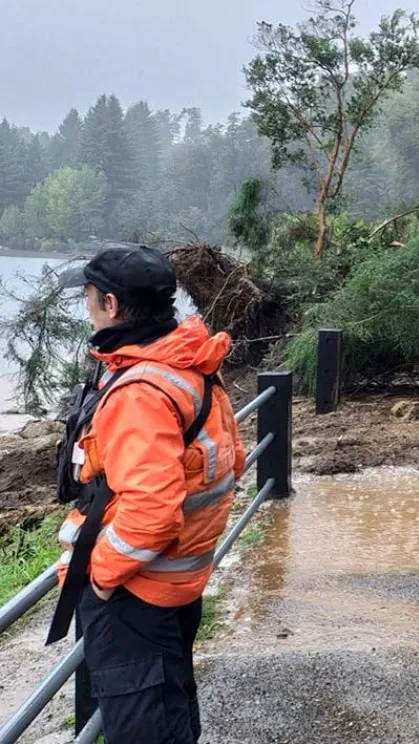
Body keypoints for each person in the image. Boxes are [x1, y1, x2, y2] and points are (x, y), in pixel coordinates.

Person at [48, 243, 245, 744]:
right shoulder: (185, 362)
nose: (87, 307)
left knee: (143, 727)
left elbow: (152, 510)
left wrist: (102, 577)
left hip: (140, 591)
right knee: (170, 710)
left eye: (89, 296)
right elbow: (231, 461)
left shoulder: (140, 391)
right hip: (179, 581)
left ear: (110, 305)